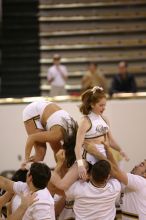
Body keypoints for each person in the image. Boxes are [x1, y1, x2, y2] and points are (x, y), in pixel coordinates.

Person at [75, 86, 128, 180]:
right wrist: (80, 164)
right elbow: (78, 146)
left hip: (105, 157)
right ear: (92, 104)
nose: (104, 108)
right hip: (90, 158)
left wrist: (120, 150)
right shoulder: (85, 121)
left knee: (117, 177)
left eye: (105, 105)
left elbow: (110, 140)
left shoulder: (104, 119)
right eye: (101, 105)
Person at [53, 149, 121, 220]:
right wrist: (98, 154)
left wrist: (59, 163)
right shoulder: (115, 187)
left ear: (90, 175)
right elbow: (116, 172)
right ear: (108, 177)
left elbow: (55, 186)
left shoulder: (78, 188)